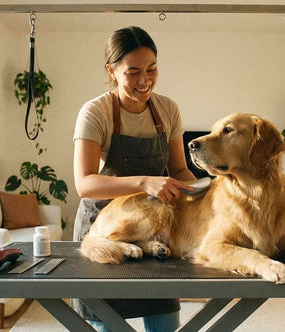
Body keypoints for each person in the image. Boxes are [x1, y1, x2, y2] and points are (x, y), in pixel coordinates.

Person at [72, 26, 197, 332]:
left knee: (165, 323)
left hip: (155, 234)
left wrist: (204, 192)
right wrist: (144, 182)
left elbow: (179, 170)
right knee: (107, 323)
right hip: (106, 230)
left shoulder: (167, 109)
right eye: (133, 72)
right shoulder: (95, 112)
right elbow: (84, 184)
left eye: (152, 69)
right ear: (112, 71)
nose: (145, 80)